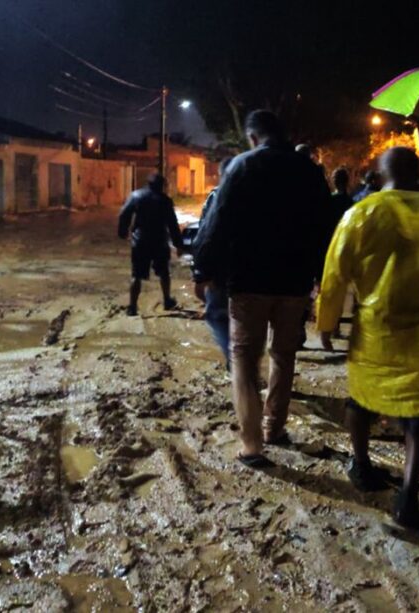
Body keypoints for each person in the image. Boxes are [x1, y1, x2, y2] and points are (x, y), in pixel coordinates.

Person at [317, 147, 419, 527]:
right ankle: (408, 495)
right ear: (417, 173)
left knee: (361, 399)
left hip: (374, 330)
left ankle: (362, 465)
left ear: (381, 174)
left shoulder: (362, 213)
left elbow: (335, 271)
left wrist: (328, 321)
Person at [190, 110, 331, 468]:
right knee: (284, 355)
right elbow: (323, 228)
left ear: (253, 137)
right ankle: (274, 427)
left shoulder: (242, 166)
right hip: (294, 282)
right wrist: (320, 276)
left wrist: (202, 271)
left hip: (249, 282)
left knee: (244, 358)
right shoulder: (310, 172)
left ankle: (252, 445)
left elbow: (216, 222)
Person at [118, 173, 183, 317]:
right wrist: (179, 244)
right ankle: (167, 301)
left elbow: (124, 214)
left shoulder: (136, 196)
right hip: (160, 241)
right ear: (161, 186)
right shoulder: (166, 201)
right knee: (164, 272)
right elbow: (173, 224)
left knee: (136, 275)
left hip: (140, 241)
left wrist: (122, 232)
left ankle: (132, 307)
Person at [190, 156, 233, 368]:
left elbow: (205, 234)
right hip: (251, 272)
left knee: (217, 315)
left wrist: (200, 273)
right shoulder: (257, 196)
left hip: (221, 271)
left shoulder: (216, 197)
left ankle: (234, 361)